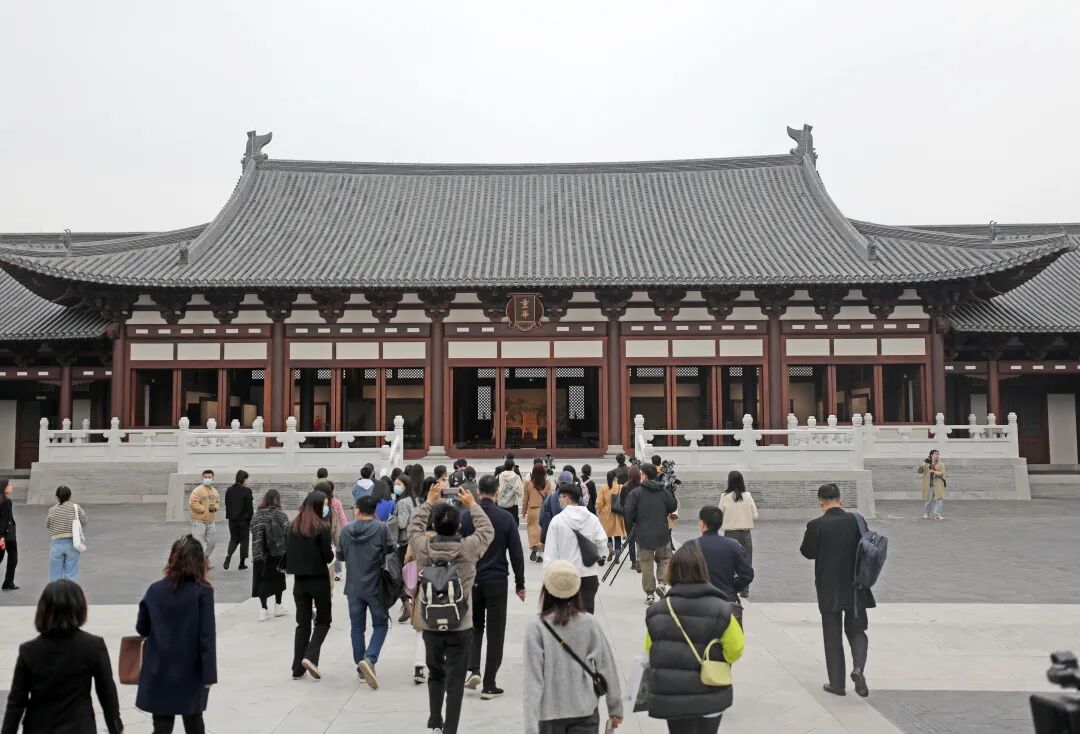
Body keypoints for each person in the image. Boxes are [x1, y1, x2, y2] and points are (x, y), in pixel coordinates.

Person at [408, 480, 494, 734]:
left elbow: (414, 528)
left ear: (433, 527)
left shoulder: (423, 547)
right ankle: (450, 729)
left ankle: (435, 719)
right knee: (455, 681)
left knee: (435, 673)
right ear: (459, 526)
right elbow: (486, 530)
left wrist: (428, 502)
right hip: (460, 623)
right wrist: (473, 505)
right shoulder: (468, 549)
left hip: (431, 622)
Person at [645, 543, 744, 733]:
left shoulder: (657, 611)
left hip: (673, 695)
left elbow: (650, 651)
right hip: (711, 690)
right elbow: (735, 650)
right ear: (702, 570)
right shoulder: (722, 609)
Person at [1, 579, 123, 734]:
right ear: (80, 608)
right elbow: (107, 692)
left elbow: (16, 702)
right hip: (79, 727)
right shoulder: (93, 646)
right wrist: (115, 726)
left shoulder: (29, 651)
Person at [523, 560, 623, 734]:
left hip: (549, 714)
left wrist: (531, 727)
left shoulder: (536, 628)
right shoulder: (590, 624)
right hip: (584, 709)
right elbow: (607, 667)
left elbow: (533, 681)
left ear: (546, 590)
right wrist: (615, 708)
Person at [136, 536, 217, 734]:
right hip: (191, 670)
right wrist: (209, 674)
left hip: (159, 668)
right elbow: (207, 636)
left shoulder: (154, 590)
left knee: (162, 727)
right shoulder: (203, 592)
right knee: (194, 723)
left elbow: (142, 628)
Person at [799, 483, 874, 698]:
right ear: (840, 500)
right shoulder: (856, 521)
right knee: (857, 630)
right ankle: (858, 668)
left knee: (832, 635)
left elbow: (807, 552)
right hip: (856, 584)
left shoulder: (816, 525)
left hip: (829, 587)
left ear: (821, 501)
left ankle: (837, 683)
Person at [460, 475, 526, 700]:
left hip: (472, 579)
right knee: (496, 632)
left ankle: (473, 670)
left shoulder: (466, 517)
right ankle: (489, 684)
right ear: (497, 492)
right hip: (497, 580)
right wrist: (520, 583)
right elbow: (516, 553)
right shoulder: (505, 518)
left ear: (478, 492)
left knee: (475, 626)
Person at [338, 494, 396, 689]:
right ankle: (369, 659)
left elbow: (340, 556)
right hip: (376, 586)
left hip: (353, 586)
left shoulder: (346, 530)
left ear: (357, 510)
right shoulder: (381, 528)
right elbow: (391, 549)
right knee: (380, 624)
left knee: (357, 628)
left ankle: (360, 667)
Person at [285, 490, 334, 680]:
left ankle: (297, 668)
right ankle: (311, 656)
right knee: (323, 621)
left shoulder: (293, 526)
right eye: (325, 505)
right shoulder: (322, 528)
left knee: (302, 624)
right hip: (319, 580)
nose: (327, 508)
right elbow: (328, 557)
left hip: (299, 582)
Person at [542, 483, 607, 614]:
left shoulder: (557, 521)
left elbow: (550, 552)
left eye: (561, 497)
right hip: (588, 574)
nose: (559, 500)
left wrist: (548, 577)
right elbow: (601, 542)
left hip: (565, 575)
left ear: (567, 498)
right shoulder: (592, 519)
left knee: (566, 616)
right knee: (586, 616)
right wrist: (597, 557)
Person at [624, 464, 678, 605]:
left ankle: (650, 594)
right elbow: (672, 506)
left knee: (646, 564)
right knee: (664, 559)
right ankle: (662, 583)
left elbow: (628, 512)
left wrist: (635, 523)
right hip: (662, 532)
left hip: (643, 534)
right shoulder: (663, 491)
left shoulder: (636, 493)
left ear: (644, 475)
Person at [695, 506, 754, 607]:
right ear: (720, 523)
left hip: (699, 602)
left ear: (702, 523)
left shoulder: (691, 546)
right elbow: (747, 575)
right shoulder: (733, 545)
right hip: (726, 600)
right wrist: (732, 588)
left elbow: (678, 576)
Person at [250, 488, 289, 621]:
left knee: (262, 581)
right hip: (276, 553)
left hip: (259, 554)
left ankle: (263, 609)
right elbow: (288, 531)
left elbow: (252, 530)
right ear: (277, 500)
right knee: (278, 580)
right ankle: (278, 606)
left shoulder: (257, 515)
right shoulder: (281, 515)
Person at [718, 470, 758, 598]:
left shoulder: (724, 496)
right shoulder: (748, 496)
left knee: (729, 562)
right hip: (746, 534)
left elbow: (719, 514)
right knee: (746, 562)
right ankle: (745, 590)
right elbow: (755, 515)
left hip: (730, 534)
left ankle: (730, 588)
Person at [390, 475, 421, 622]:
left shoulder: (402, 502)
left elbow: (402, 523)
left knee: (398, 576)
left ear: (405, 486)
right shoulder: (415, 500)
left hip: (404, 542)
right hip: (416, 539)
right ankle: (414, 605)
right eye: (395, 484)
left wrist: (392, 519)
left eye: (399, 484)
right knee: (413, 574)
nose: (396, 486)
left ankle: (406, 604)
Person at [47, 485, 87, 581]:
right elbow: (84, 521)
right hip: (73, 543)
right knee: (71, 573)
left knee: (55, 574)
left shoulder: (52, 510)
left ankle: (56, 589)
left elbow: (48, 524)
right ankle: (70, 589)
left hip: (56, 544)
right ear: (70, 496)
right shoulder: (76, 508)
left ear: (57, 497)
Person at [188, 469, 220, 567]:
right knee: (199, 544)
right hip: (198, 521)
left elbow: (218, 502)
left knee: (212, 543)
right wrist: (203, 509)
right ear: (202, 478)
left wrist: (215, 508)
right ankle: (199, 564)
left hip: (210, 521)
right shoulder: (197, 491)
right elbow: (193, 503)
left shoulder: (215, 491)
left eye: (209, 477)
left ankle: (205, 559)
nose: (207, 479)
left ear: (213, 478)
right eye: (205, 477)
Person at [223, 469, 253, 571]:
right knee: (244, 540)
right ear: (244, 479)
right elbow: (249, 507)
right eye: (247, 479)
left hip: (232, 520)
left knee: (234, 539)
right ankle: (241, 564)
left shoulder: (229, 490)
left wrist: (230, 515)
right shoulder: (247, 491)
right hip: (244, 520)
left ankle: (228, 556)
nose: (248, 481)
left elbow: (227, 504)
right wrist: (251, 518)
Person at [318, 480, 348, 581]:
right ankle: (338, 572)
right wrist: (346, 528)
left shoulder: (320, 502)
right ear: (332, 490)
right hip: (336, 528)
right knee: (337, 549)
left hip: (324, 529)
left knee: (324, 548)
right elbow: (342, 517)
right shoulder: (336, 502)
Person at [596, 469, 626, 563]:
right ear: (615, 477)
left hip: (605, 514)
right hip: (617, 513)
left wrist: (599, 511)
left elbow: (599, 502)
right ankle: (617, 555)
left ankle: (610, 549)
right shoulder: (620, 487)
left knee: (607, 534)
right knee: (617, 535)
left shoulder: (604, 488)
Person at [524, 460, 550, 562]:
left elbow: (525, 499)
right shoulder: (547, 483)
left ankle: (533, 545)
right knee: (541, 531)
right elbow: (549, 498)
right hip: (542, 509)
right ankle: (541, 554)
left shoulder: (528, 483)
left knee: (532, 530)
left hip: (531, 510)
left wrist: (523, 511)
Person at [539, 470, 571, 545]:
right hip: (571, 538)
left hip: (553, 537)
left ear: (558, 483)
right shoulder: (578, 499)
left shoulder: (550, 498)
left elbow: (541, 519)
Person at [620, 465, 642, 572]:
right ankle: (639, 558)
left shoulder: (625, 487)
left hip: (628, 517)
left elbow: (622, 504)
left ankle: (633, 561)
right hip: (641, 516)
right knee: (640, 539)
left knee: (631, 539)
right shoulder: (642, 487)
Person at [917, 449, 946, 520]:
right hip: (929, 484)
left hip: (938, 484)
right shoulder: (926, 463)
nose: (937, 455)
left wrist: (934, 472)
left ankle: (937, 515)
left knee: (939, 499)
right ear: (931, 455)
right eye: (935, 454)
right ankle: (926, 513)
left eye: (938, 454)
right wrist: (920, 467)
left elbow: (942, 473)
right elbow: (920, 471)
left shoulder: (941, 464)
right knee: (929, 500)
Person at [0, 478, 17, 590]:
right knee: (12, 558)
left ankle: (8, 583)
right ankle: (8, 583)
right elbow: (4, 520)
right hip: (7, 535)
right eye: (9, 485)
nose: (11, 487)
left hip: (5, 535)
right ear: (3, 487)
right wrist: (2, 537)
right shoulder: (6, 501)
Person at [496, 458, 525, 524]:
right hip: (513, 506)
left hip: (501, 505)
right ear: (513, 467)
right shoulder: (517, 477)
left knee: (502, 525)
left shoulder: (499, 476)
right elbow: (520, 493)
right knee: (513, 525)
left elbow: (495, 490)